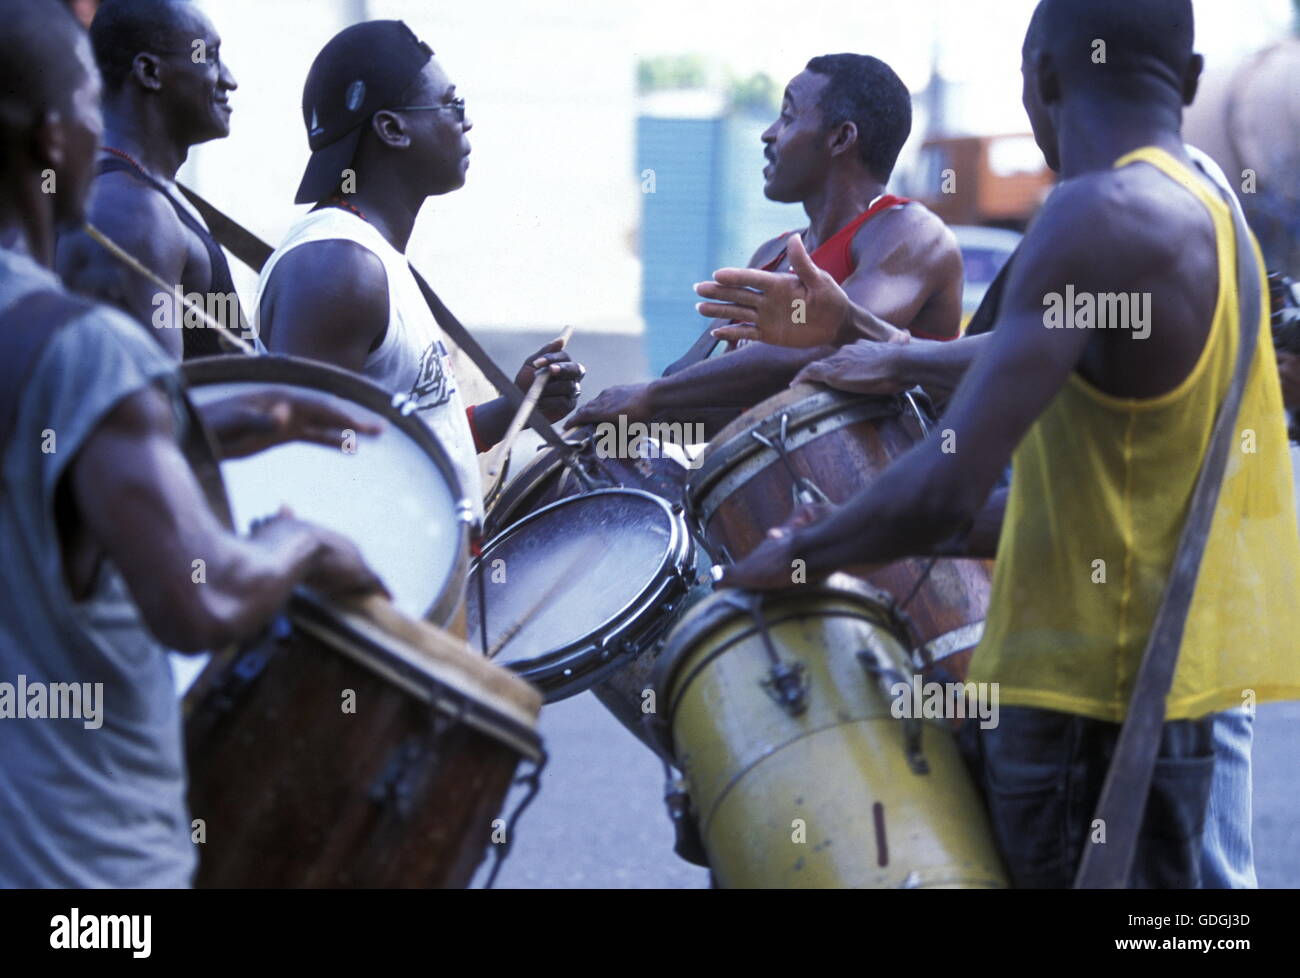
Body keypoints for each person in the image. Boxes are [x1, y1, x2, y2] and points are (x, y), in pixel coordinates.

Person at [717, 0, 1300, 888]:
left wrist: (800, 553)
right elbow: (1080, 500)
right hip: (1163, 700)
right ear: (1186, 82)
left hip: (1080, 710)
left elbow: (944, 488)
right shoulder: (1210, 213)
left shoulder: (1093, 217)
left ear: (1044, 81)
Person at [0, 0, 387, 887]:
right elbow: (196, 601)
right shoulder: (85, 345)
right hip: (87, 871)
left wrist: (190, 425)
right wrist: (300, 544)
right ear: (58, 137)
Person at [256, 20, 584, 516]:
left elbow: (407, 444)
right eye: (454, 105)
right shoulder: (338, 268)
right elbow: (308, 477)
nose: (466, 123)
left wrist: (514, 409)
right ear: (392, 128)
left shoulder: (373, 258)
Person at [568, 53, 962, 437]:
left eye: (788, 116)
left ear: (841, 138)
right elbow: (722, 403)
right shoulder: (771, 255)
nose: (768, 132)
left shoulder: (910, 233)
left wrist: (653, 396)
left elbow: (823, 343)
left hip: (905, 494)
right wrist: (625, 420)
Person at [54, 0, 246, 360]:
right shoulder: (130, 212)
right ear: (149, 72)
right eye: (209, 57)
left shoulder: (138, 192)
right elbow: (148, 408)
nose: (229, 80)